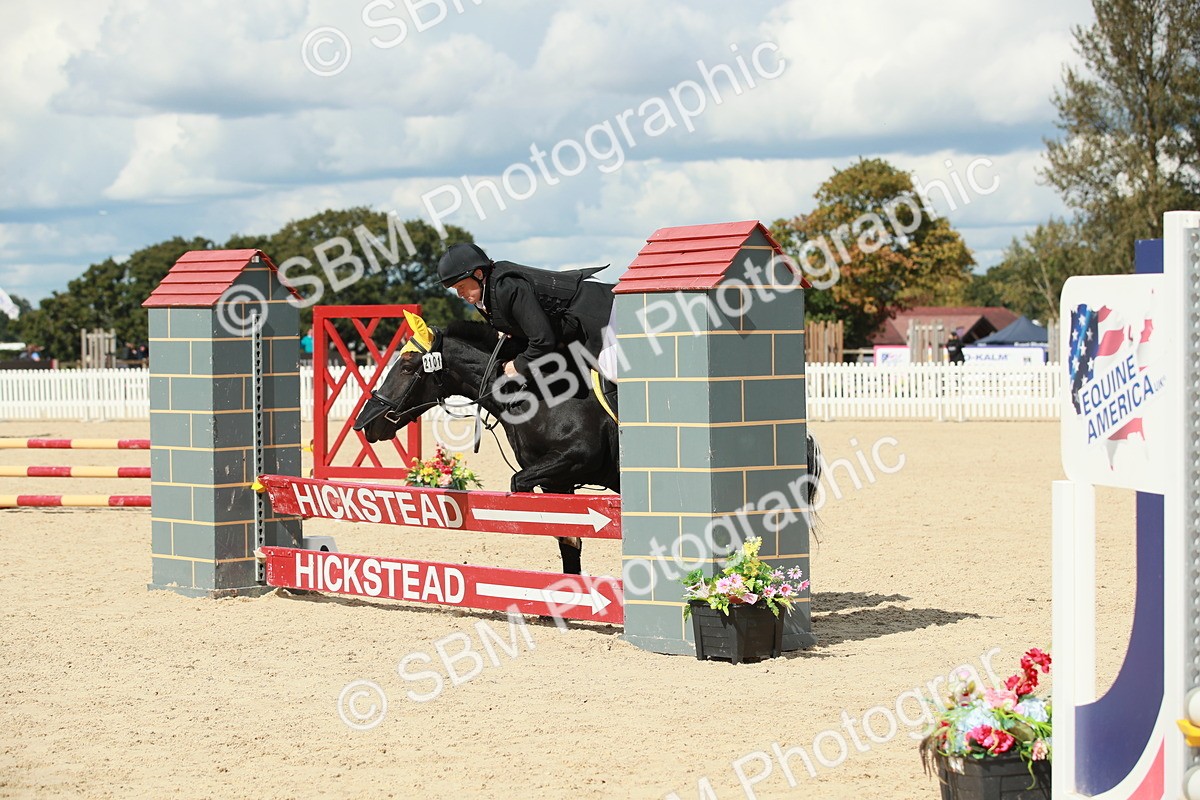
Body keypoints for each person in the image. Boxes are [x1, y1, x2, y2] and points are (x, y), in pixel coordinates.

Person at [437, 243, 617, 409]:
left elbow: (543, 341)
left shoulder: (507, 288)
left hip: (600, 314)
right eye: (456, 289)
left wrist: (517, 365)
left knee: (616, 373)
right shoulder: (483, 297)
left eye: (461, 286)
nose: (460, 294)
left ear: (478, 274)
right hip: (574, 330)